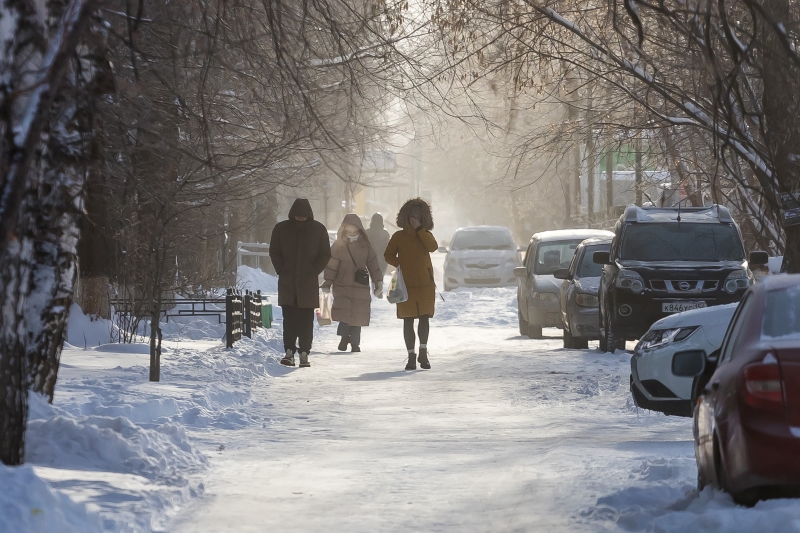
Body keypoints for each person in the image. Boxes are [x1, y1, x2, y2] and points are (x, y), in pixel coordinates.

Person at [269, 199, 331, 368]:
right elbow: (274, 250)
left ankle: (304, 352)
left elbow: (325, 253)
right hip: (288, 283)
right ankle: (289, 351)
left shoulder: (318, 230)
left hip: (307, 283)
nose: (300, 219)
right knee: (289, 319)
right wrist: (281, 269)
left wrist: (313, 270)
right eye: (298, 217)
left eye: (303, 217)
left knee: (306, 320)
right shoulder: (282, 229)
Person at [384, 198, 438, 370]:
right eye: (412, 216)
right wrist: (400, 264)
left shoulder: (426, 235)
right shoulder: (399, 236)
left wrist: (420, 230)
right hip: (405, 285)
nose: (415, 219)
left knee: (424, 318)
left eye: (418, 217)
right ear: (406, 217)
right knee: (407, 320)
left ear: (423, 219)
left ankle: (423, 352)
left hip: (425, 285)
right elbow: (388, 254)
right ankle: (411, 356)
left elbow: (432, 247)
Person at [321, 214, 383, 352]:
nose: (351, 233)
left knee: (358, 314)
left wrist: (378, 281)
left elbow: (373, 263)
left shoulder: (365, 245)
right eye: (349, 231)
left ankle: (355, 343)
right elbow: (332, 265)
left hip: (360, 284)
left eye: (354, 231)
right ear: (344, 230)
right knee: (344, 314)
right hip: (342, 284)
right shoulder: (338, 245)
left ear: (359, 230)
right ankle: (344, 337)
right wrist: (328, 282)